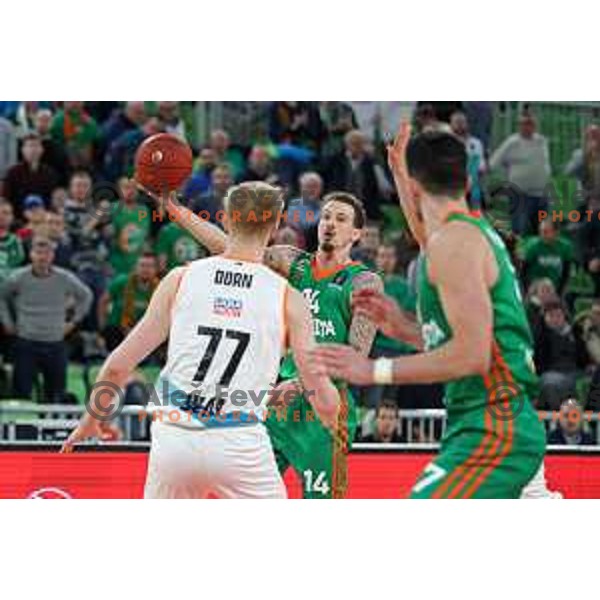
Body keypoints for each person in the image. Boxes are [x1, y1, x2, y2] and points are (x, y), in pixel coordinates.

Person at [312, 123, 548, 499]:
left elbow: (472, 355)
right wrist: (402, 327)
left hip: (494, 426)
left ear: (418, 188)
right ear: (467, 182)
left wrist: (374, 370)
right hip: (489, 421)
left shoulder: (455, 244)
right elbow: (460, 338)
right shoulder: (463, 235)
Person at [63, 182, 340, 499]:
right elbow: (318, 387)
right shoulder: (288, 297)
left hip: (175, 435)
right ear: (277, 225)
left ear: (225, 219)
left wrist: (93, 418)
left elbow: (118, 366)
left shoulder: (180, 278)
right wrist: (332, 420)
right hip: (239, 438)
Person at [151, 188, 382, 498]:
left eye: (341, 219)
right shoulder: (291, 262)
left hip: (323, 407)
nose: (330, 223)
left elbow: (355, 356)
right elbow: (230, 246)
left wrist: (301, 384)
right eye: (326, 216)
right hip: (276, 403)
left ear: (356, 233)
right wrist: (176, 210)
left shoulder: (364, 282)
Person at [0, 237, 92, 402]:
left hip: (55, 342)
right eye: (38, 253)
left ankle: (52, 428)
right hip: (26, 342)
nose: (42, 257)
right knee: (21, 391)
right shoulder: (18, 278)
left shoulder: (64, 278)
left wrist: (73, 322)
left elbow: (86, 296)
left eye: (46, 253)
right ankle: (23, 427)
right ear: (31, 255)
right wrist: (8, 323)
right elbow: (2, 297)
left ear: (52, 256)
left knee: (56, 393)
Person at [490, 112, 551, 236]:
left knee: (542, 231)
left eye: (531, 124)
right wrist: (509, 174)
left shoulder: (542, 141)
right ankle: (517, 254)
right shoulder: (512, 142)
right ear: (519, 126)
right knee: (519, 230)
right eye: (524, 124)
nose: (527, 127)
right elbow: (493, 163)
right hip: (520, 195)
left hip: (542, 194)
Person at [99, 252, 160, 351]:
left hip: (144, 332)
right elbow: (103, 301)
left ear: (156, 269)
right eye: (142, 265)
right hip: (118, 330)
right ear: (135, 267)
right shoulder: (121, 282)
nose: (146, 269)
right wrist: (102, 328)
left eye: (150, 266)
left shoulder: (160, 287)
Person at [2, 133, 58, 218]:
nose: (33, 150)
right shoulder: (12, 173)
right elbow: (7, 200)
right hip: (18, 219)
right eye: (29, 146)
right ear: (23, 150)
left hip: (44, 218)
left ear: (42, 150)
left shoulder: (50, 173)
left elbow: (53, 200)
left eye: (36, 146)